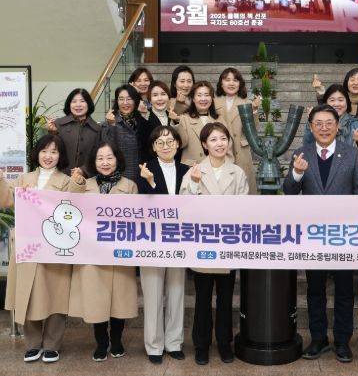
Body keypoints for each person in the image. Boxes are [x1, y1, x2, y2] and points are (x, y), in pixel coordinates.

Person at [283, 104, 358, 363]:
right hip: (313, 237)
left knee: (344, 290)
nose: (324, 128)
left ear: (337, 126)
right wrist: (297, 173)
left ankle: (343, 341)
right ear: (311, 127)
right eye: (318, 123)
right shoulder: (301, 153)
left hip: (344, 236)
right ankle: (318, 338)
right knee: (315, 290)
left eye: (329, 123)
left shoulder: (352, 154)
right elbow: (288, 192)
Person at [0, 134, 72, 364]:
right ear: (37, 154)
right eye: (44, 151)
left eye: (54, 152)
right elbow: (4, 200)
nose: (48, 156)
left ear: (60, 156)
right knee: (29, 293)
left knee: (56, 295)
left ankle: (52, 345)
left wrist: (78, 183)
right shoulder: (24, 178)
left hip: (55, 246)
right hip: (28, 245)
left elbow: (73, 209)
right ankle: (33, 344)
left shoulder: (66, 181)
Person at [180, 122, 250, 365]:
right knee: (202, 299)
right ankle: (201, 345)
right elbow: (184, 207)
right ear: (204, 144)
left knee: (225, 298)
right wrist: (195, 183)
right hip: (203, 244)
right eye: (213, 139)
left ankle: (224, 342)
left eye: (223, 138)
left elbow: (244, 208)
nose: (219, 144)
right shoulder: (194, 171)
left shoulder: (237, 172)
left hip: (227, 244)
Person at [68, 141, 139, 361]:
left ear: (117, 160)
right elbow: (70, 208)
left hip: (120, 254)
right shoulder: (83, 185)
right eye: (100, 158)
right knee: (96, 300)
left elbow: (138, 220)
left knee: (119, 301)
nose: (105, 162)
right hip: (91, 253)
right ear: (93, 162)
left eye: (109, 158)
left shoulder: (130, 186)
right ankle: (101, 342)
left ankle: (117, 340)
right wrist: (75, 183)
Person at [135, 125, 190, 364]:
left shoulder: (188, 171)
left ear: (178, 144)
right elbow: (144, 207)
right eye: (160, 142)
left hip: (178, 240)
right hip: (151, 241)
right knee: (153, 294)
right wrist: (150, 182)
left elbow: (190, 205)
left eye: (170, 141)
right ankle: (154, 346)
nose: (165, 146)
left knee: (176, 293)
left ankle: (174, 342)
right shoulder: (144, 171)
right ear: (153, 147)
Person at [214, 67, 260, 194]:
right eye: (227, 80)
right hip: (219, 150)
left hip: (241, 151)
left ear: (240, 84)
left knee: (243, 189)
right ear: (221, 83)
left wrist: (254, 110)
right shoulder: (213, 102)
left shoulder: (247, 103)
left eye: (235, 80)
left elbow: (253, 131)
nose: (231, 83)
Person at [47, 88, 100, 176]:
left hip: (86, 178)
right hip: (60, 176)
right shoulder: (58, 124)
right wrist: (53, 133)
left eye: (82, 101)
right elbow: (51, 151)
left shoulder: (97, 129)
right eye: (74, 101)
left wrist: (83, 171)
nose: (78, 105)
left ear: (88, 104)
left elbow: (98, 156)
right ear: (69, 104)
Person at [177, 81, 230, 166]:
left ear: (212, 98)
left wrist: (227, 164)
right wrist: (176, 122)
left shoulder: (220, 119)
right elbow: (182, 143)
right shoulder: (184, 118)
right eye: (199, 95)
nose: (203, 99)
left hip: (217, 166)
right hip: (193, 167)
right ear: (193, 99)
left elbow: (228, 145)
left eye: (207, 95)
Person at [101, 85, 143, 180]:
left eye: (129, 99)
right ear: (117, 101)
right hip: (119, 177)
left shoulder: (141, 120)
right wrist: (112, 125)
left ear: (135, 101)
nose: (125, 103)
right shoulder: (109, 123)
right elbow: (107, 150)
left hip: (141, 175)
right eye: (121, 99)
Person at [137, 81, 175, 163]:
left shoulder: (173, 117)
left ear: (169, 97)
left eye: (163, 94)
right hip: (151, 164)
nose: (160, 98)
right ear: (150, 100)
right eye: (155, 95)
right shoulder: (144, 117)